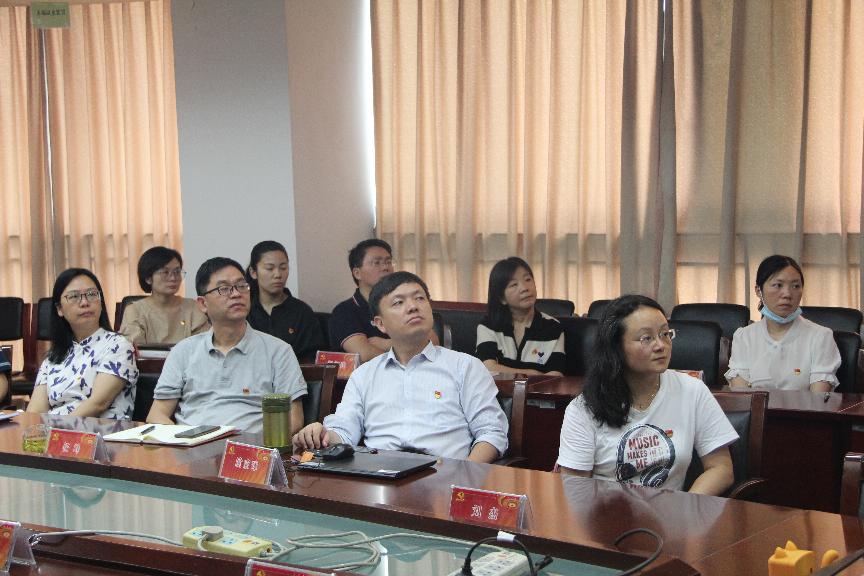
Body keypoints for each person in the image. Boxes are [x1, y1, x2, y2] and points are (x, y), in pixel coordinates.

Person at [294, 271, 508, 462]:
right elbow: (344, 431)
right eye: (398, 302)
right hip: (380, 478)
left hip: (444, 474)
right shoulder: (364, 375)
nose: (413, 306)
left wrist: (466, 473)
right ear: (380, 324)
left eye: (420, 298)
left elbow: (491, 433)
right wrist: (320, 434)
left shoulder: (465, 367)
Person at [557, 295, 737, 495]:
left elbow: (720, 468)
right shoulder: (584, 408)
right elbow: (575, 491)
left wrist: (685, 506)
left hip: (671, 512)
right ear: (616, 347)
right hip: (606, 512)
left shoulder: (692, 390)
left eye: (665, 334)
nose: (661, 345)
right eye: (646, 338)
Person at [147, 257, 307, 434]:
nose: (236, 294)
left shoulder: (278, 351)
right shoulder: (183, 351)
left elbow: (294, 420)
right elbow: (157, 414)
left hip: (250, 447)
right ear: (203, 304)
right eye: (223, 289)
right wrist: (183, 440)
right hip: (192, 445)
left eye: (241, 286)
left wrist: (253, 445)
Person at [26, 268, 138, 419]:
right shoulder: (53, 358)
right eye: (74, 296)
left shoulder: (118, 345)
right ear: (59, 309)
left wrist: (55, 429)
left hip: (98, 430)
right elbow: (35, 411)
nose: (85, 302)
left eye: (91, 294)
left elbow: (98, 404)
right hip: (55, 430)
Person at [726, 255, 840, 392]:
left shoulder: (820, 336)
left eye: (795, 286)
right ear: (758, 291)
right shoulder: (744, 337)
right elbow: (741, 396)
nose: (787, 294)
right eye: (778, 285)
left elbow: (818, 399)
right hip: (756, 407)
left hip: (803, 407)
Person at [476, 257, 565, 376]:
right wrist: (531, 373)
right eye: (514, 284)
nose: (525, 288)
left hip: (540, 389)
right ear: (502, 298)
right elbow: (488, 368)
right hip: (496, 389)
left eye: (528, 279)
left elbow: (556, 374)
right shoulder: (489, 325)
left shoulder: (553, 327)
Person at [246, 240, 324, 362]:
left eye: (283, 268)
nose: (278, 274)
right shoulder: (244, 310)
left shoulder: (302, 312)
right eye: (270, 268)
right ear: (253, 272)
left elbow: (313, 359)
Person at [119, 246, 209, 345]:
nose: (173, 278)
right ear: (148, 278)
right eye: (165, 272)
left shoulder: (193, 307)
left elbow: (203, 345)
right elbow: (134, 348)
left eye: (177, 272)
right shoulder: (135, 311)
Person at [328, 239, 395, 362]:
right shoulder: (345, 311)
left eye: (388, 262)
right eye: (377, 263)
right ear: (357, 273)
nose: (386, 267)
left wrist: (386, 344)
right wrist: (410, 350)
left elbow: (430, 341)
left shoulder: (401, 304)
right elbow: (365, 355)